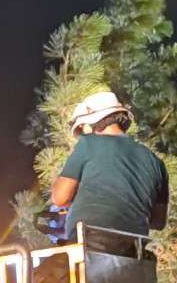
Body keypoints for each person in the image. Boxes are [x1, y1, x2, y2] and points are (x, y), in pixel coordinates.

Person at [50, 91, 169, 245]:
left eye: (83, 128)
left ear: (91, 123)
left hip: (90, 242)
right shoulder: (156, 163)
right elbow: (159, 222)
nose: (83, 133)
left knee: (44, 261)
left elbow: (60, 198)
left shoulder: (89, 143)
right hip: (133, 249)